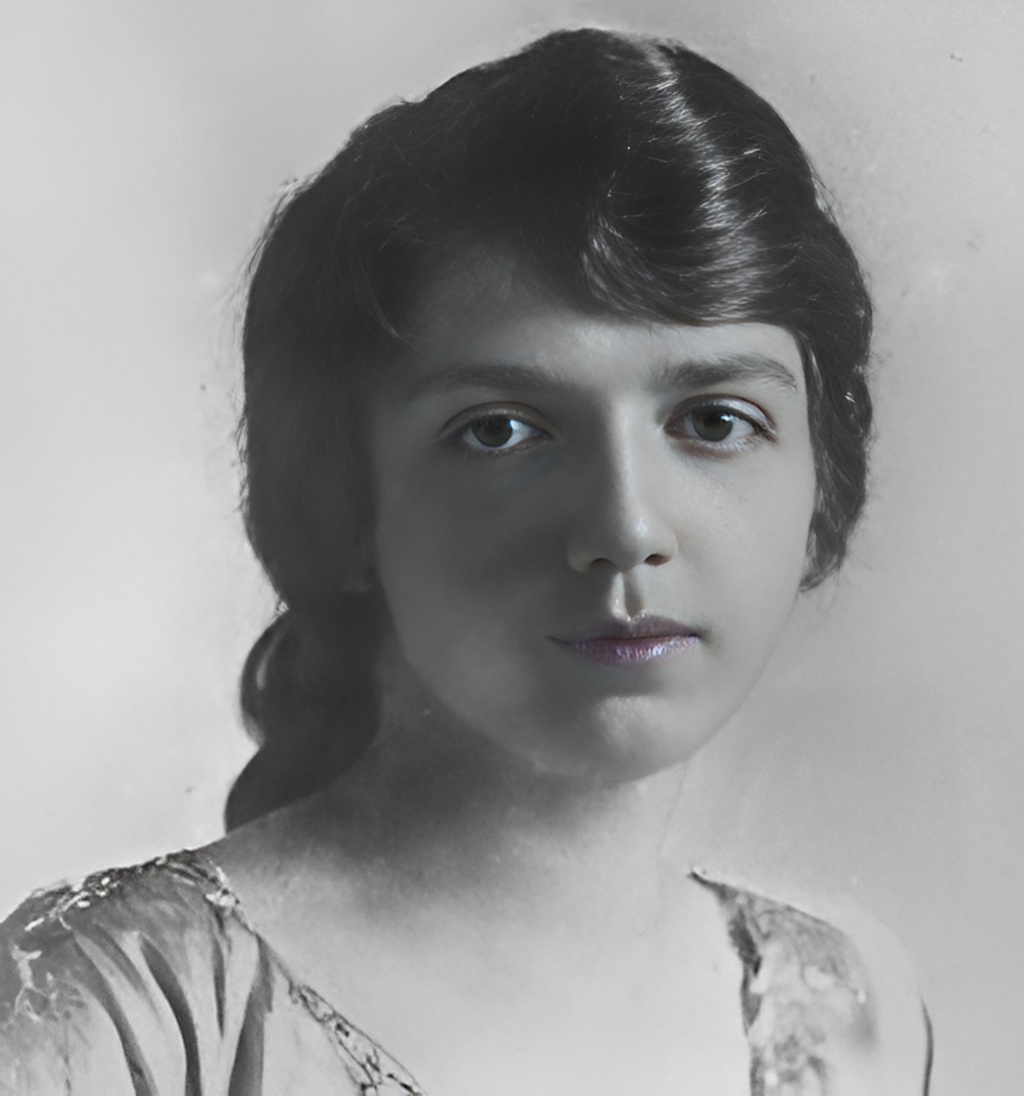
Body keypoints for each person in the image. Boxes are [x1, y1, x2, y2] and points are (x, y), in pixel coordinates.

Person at [0, 27, 932, 1095]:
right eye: (500, 430)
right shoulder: (115, 1008)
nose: (625, 526)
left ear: (822, 490)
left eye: (715, 420)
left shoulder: (841, 1012)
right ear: (346, 498)